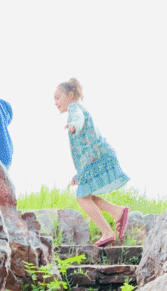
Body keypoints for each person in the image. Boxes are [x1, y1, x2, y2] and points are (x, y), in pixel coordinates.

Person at [54, 78, 130, 247]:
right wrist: (78, 174)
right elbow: (83, 150)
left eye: (58, 97)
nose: (55, 102)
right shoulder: (78, 110)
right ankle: (117, 212)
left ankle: (107, 232)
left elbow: (78, 119)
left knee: (82, 197)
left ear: (70, 95)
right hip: (96, 158)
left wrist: (74, 125)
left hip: (97, 157)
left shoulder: (75, 109)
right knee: (86, 195)